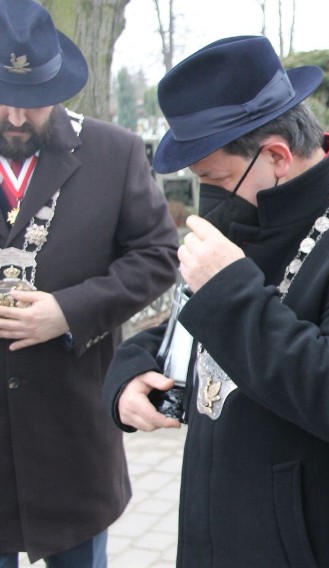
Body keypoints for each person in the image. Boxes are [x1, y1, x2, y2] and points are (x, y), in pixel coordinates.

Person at [102, 36, 329, 567]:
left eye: (214, 177)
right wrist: (132, 368)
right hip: (213, 528)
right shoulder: (241, 204)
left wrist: (228, 290)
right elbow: (192, 326)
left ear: (276, 156)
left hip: (313, 544)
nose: (207, 195)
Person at [0, 0, 180, 566]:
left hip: (71, 426)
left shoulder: (115, 151)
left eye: (31, 103)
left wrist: (69, 311)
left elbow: (157, 256)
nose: (13, 117)